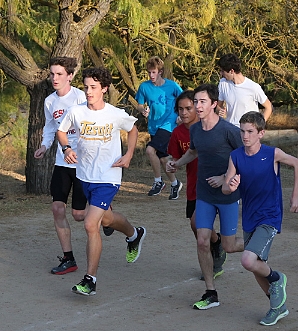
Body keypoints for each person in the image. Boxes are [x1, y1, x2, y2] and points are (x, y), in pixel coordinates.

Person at [57, 67, 147, 296]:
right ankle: (134, 235)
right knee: (106, 219)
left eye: (93, 88)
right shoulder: (76, 112)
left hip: (108, 177)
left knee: (90, 224)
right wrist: (66, 148)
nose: (88, 91)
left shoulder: (115, 113)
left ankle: (90, 279)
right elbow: (61, 131)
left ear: (104, 89)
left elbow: (133, 129)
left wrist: (128, 156)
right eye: (86, 87)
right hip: (84, 175)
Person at [166, 84, 245, 310]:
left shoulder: (229, 131)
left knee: (229, 246)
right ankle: (211, 292)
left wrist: (224, 177)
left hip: (227, 193)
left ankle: (254, 242)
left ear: (214, 104)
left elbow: (246, 157)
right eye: (196, 102)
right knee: (202, 240)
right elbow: (194, 151)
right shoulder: (195, 130)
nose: (198, 106)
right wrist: (177, 163)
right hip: (204, 194)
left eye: (202, 102)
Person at [222, 111, 298, 325]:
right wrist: (230, 186)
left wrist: (295, 197)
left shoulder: (272, 153)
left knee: (248, 260)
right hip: (249, 216)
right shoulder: (236, 156)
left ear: (261, 133)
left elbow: (297, 164)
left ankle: (278, 278)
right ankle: (277, 307)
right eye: (242, 131)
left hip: (270, 215)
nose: (245, 136)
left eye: (250, 131)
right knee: (258, 265)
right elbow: (225, 187)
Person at [33, 57, 89, 275]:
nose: (54, 78)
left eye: (59, 74)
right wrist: (44, 146)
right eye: (52, 74)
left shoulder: (82, 97)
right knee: (57, 208)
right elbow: (50, 127)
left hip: (82, 161)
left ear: (70, 76)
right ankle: (69, 258)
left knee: (78, 214)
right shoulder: (49, 101)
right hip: (61, 160)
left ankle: (106, 213)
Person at [167, 91, 225, 279]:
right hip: (194, 186)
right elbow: (174, 157)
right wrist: (171, 164)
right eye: (180, 109)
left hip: (214, 185)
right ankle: (216, 245)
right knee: (197, 228)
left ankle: (215, 257)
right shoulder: (178, 133)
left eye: (188, 108)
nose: (184, 113)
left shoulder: (208, 127)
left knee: (197, 223)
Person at [135, 56, 184, 198]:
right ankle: (175, 184)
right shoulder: (144, 87)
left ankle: (158, 182)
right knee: (162, 159)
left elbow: (184, 99)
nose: (151, 75)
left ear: (160, 71)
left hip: (169, 124)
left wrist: (181, 115)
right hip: (154, 125)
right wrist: (142, 110)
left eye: (154, 72)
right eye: (149, 72)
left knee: (150, 150)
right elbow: (139, 104)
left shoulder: (172, 86)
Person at [217, 53, 273, 126]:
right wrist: (220, 110)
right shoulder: (223, 83)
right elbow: (218, 106)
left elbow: (268, 107)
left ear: (231, 71)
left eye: (222, 71)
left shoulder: (253, 87)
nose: (221, 73)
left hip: (247, 132)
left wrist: (259, 127)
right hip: (229, 129)